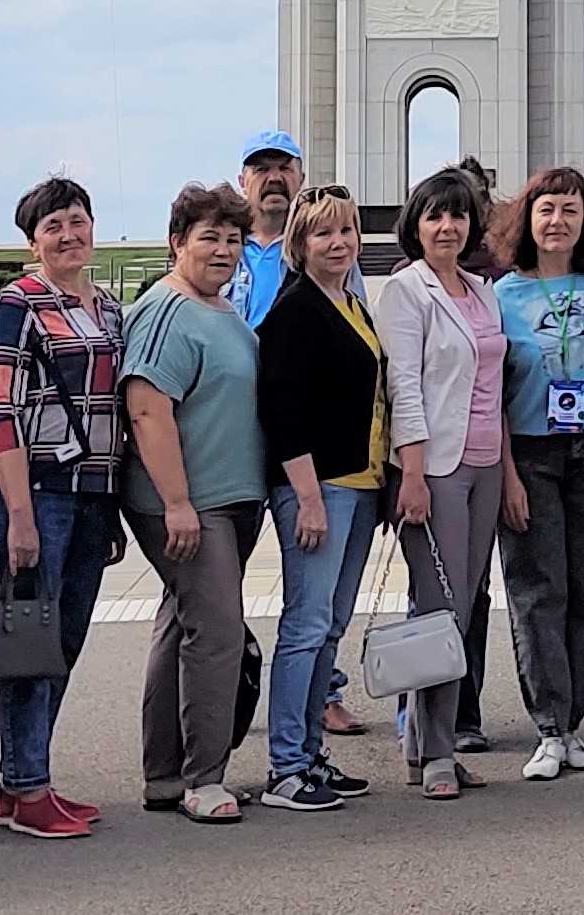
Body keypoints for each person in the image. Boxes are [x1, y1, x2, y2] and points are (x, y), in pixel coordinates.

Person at [0, 175, 127, 839]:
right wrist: (16, 513)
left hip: (96, 493)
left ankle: (27, 778)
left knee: (63, 640)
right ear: (33, 241)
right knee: (29, 641)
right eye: (52, 227)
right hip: (38, 491)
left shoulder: (111, 307)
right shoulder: (20, 303)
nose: (68, 236)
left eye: (76, 221)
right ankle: (25, 784)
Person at [121, 185, 273, 823]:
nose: (223, 250)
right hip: (188, 504)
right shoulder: (167, 312)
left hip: (229, 498)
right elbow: (148, 408)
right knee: (216, 634)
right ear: (177, 242)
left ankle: (166, 775)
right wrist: (177, 502)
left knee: (179, 624)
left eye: (233, 240)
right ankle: (204, 779)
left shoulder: (222, 310)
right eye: (209, 237)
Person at [374, 163, 510, 800]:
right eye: (434, 215)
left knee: (466, 602)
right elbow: (403, 386)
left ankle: (422, 742)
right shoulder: (406, 291)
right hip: (436, 469)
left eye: (457, 214)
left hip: (484, 463)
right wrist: (416, 473)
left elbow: (494, 388)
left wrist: (507, 473)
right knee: (442, 609)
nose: (447, 226)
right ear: (415, 225)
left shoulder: (483, 290)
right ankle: (436, 752)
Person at [495, 165, 584, 780]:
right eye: (547, 209)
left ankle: (574, 722)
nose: (558, 221)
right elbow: (489, 394)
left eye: (571, 210)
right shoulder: (500, 297)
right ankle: (549, 727)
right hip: (531, 451)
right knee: (537, 590)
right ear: (528, 219)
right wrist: (507, 476)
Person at [253, 186, 385, 812]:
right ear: (300, 244)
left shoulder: (352, 303)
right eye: (323, 234)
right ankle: (284, 765)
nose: (338, 244)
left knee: (330, 625)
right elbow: (282, 408)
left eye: (347, 232)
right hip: (318, 487)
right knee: (305, 626)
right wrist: (305, 495)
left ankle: (309, 755)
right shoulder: (295, 311)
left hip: (360, 484)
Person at [225, 131, 306, 325]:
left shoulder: (320, 248)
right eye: (261, 169)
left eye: (285, 168)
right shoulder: (222, 249)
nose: (275, 178)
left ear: (301, 180)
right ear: (242, 182)